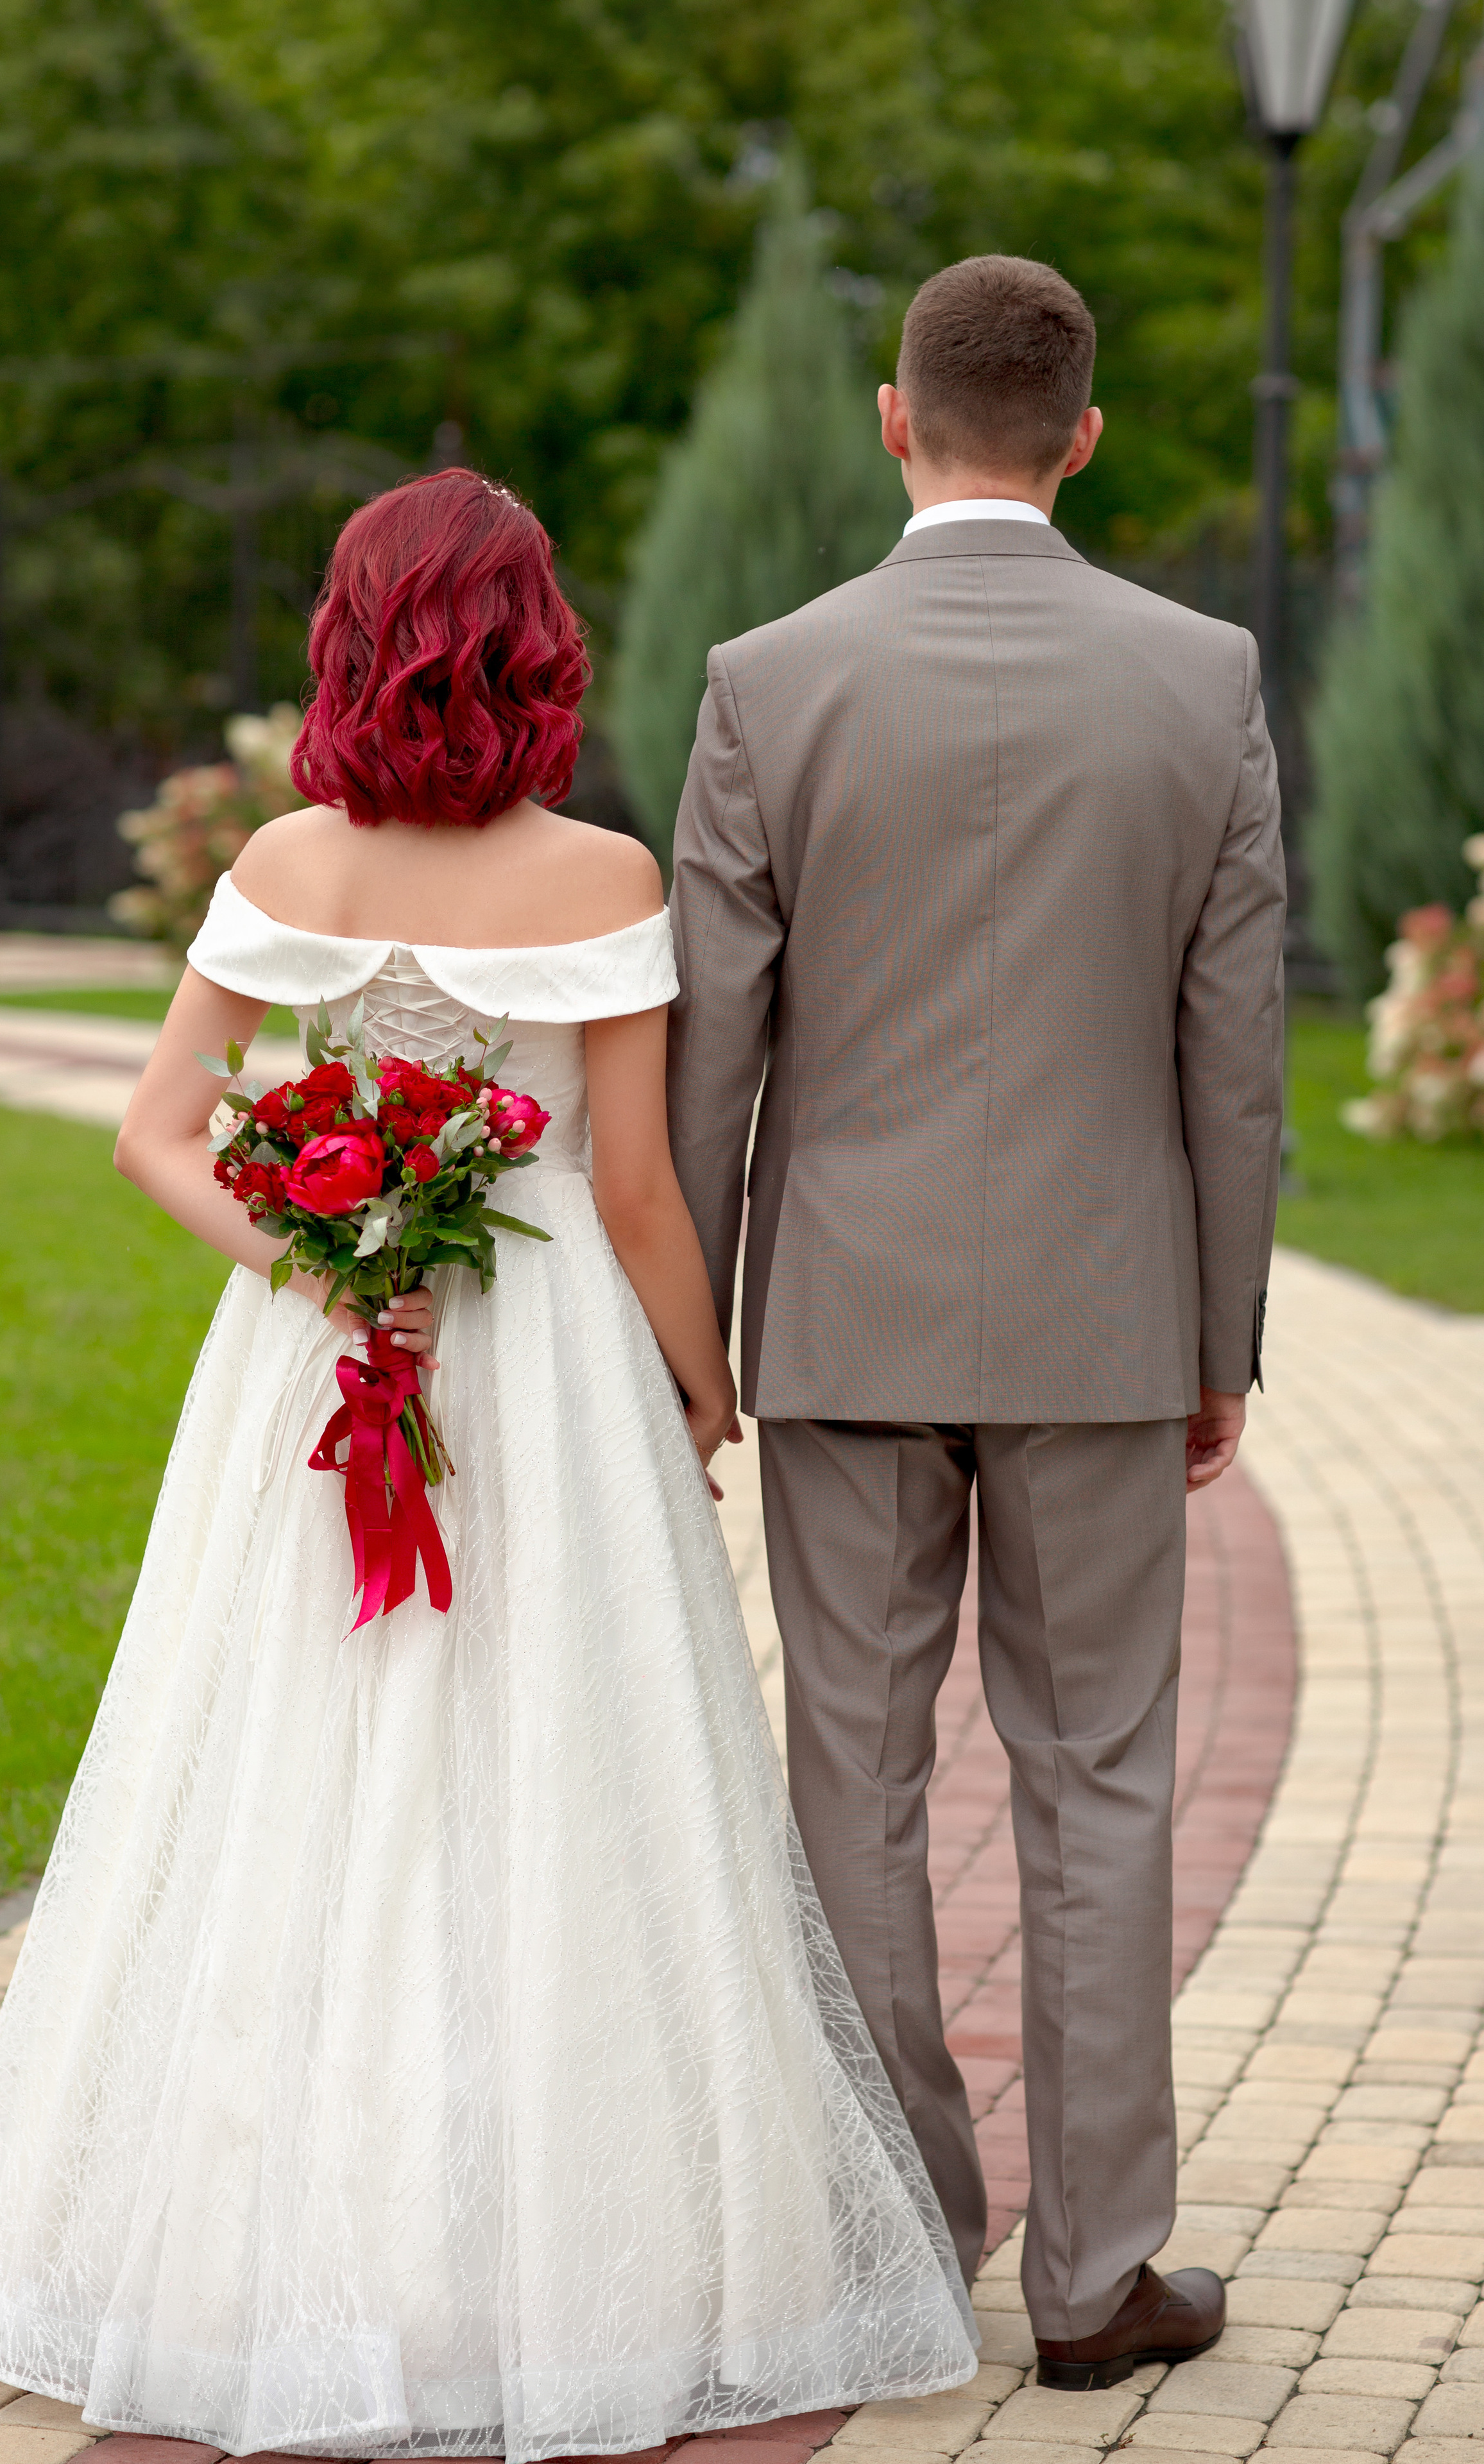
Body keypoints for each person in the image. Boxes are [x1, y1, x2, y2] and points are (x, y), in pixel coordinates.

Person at [0, 470, 977, 2462]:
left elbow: (157, 1132)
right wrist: (705, 1381)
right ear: (532, 647)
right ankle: (592, 2256)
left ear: (350, 635)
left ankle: (271, 2251)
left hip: (318, 1373)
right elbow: (639, 1184)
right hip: (549, 1371)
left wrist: (327, 1265)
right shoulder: (600, 878)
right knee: (571, 1770)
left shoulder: (289, 864)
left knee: (298, 1768)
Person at [667, 255, 1286, 2392]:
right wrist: (1223, 1336)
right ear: (1085, 431)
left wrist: (702, 1336)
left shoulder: (769, 679)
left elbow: (712, 1056)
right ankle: (1099, 2279)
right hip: (1112, 1323)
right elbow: (1236, 1054)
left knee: (850, 1771)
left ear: (889, 417)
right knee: (1100, 1781)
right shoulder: (1202, 677)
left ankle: (900, 2234)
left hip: (838, 1325)